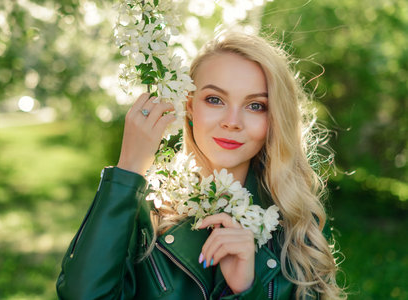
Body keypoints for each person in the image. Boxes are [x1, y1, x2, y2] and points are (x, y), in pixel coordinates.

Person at [56, 32, 345, 299]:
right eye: (215, 100)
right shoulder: (142, 211)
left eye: (255, 105)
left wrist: (246, 289)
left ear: (275, 119)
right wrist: (129, 168)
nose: (232, 121)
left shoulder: (299, 224)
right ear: (190, 107)